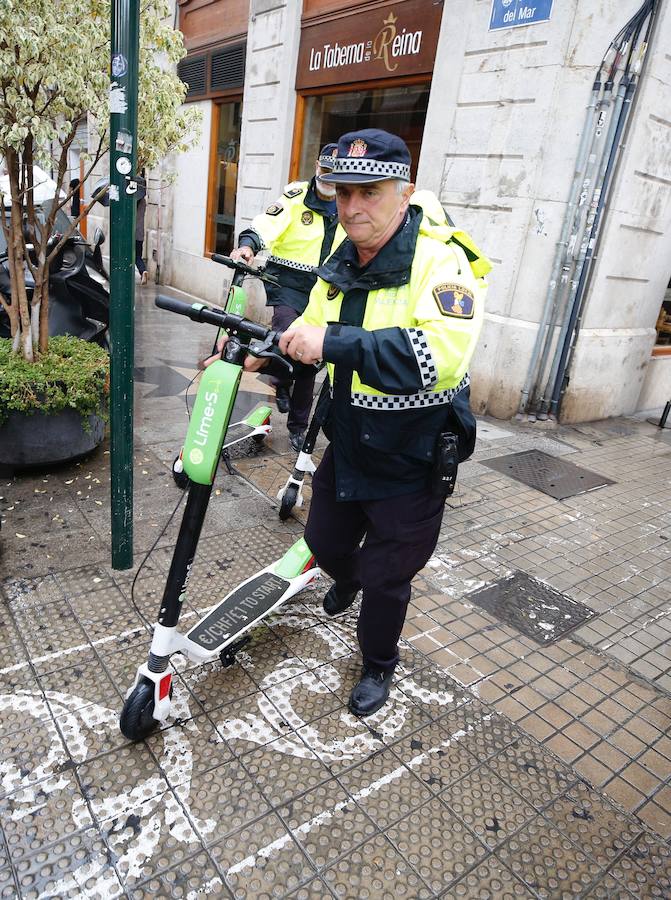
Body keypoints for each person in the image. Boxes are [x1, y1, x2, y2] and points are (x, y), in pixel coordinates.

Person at [271, 129, 490, 716]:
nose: (351, 207)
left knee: (388, 577)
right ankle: (350, 579)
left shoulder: (442, 261)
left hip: (410, 457)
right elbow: (312, 327)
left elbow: (436, 355)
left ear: (404, 191)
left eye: (369, 191)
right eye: (342, 193)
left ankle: (377, 666)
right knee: (324, 542)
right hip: (348, 443)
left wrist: (334, 343)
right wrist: (272, 347)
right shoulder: (343, 257)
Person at [230, 144, 345, 451]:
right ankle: (281, 379)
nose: (329, 178)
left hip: (325, 289)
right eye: (325, 170)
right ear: (318, 167)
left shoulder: (349, 203)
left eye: (336, 173)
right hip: (288, 282)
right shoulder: (296, 197)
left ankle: (297, 425)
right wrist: (248, 245)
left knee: (308, 356)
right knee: (283, 334)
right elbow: (268, 223)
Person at [135, 172, 148, 285]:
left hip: (130, 234)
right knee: (138, 256)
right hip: (140, 233)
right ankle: (143, 270)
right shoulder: (143, 202)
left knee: (127, 256)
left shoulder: (131, 201)